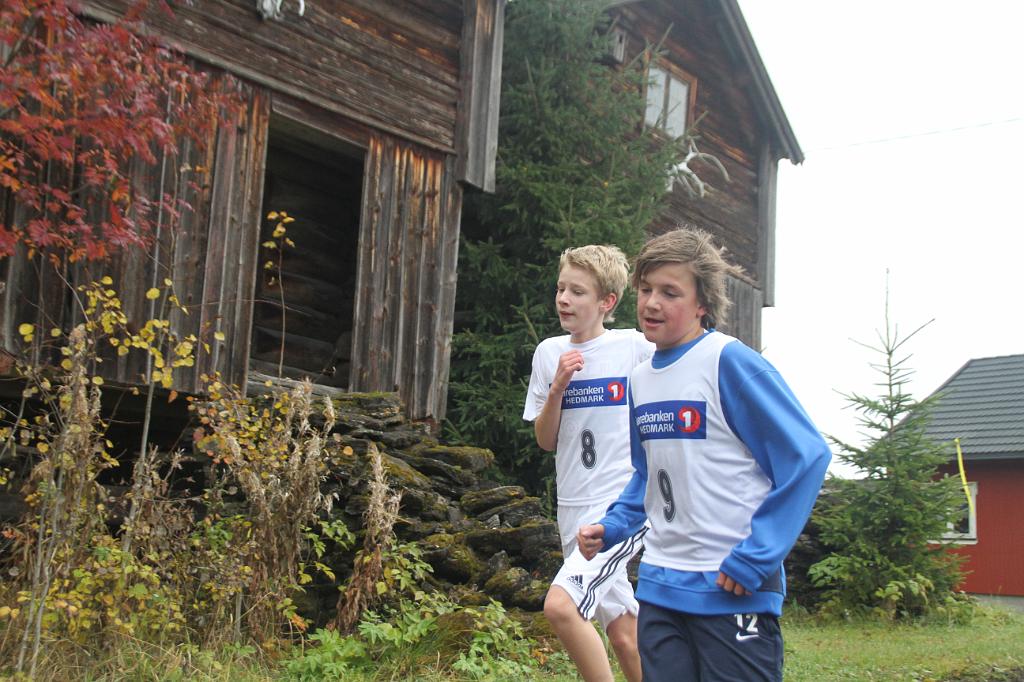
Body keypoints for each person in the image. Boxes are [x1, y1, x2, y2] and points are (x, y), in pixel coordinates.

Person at [577, 227, 831, 682]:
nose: (652, 303)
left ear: (702, 304)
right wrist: (613, 525)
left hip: (730, 586)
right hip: (660, 587)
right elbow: (648, 474)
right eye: (646, 289)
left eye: (670, 292)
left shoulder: (729, 362)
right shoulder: (640, 379)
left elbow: (807, 456)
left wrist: (757, 556)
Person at [523, 244, 654, 682]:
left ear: (607, 302)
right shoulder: (548, 353)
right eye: (561, 288)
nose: (563, 299)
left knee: (562, 607)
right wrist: (558, 387)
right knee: (623, 632)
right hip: (571, 505)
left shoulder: (633, 347)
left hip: (619, 505)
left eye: (577, 292)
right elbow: (545, 441)